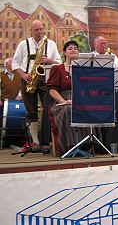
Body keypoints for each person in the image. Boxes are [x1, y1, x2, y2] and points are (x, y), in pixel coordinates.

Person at [12, 20, 61, 149]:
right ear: (31, 31)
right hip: (28, 79)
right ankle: (36, 142)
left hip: (46, 79)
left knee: (48, 109)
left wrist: (49, 60)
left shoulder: (51, 44)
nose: (40, 32)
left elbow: (59, 62)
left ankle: (49, 140)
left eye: (41, 29)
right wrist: (23, 75)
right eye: (36, 30)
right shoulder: (23, 44)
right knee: (31, 111)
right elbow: (15, 64)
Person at [47, 41, 92, 155]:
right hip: (62, 101)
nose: (73, 50)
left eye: (75, 48)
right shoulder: (57, 69)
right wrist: (64, 101)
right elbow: (52, 90)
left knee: (93, 108)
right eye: (70, 48)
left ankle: (87, 145)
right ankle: (70, 147)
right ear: (64, 53)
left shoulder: (83, 69)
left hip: (80, 100)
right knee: (68, 110)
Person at [0, 58, 22, 129]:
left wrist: (19, 95)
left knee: (17, 119)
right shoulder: (1, 75)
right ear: (6, 65)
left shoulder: (19, 75)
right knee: (2, 120)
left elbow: (22, 87)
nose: (13, 63)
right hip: (3, 102)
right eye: (11, 62)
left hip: (17, 102)